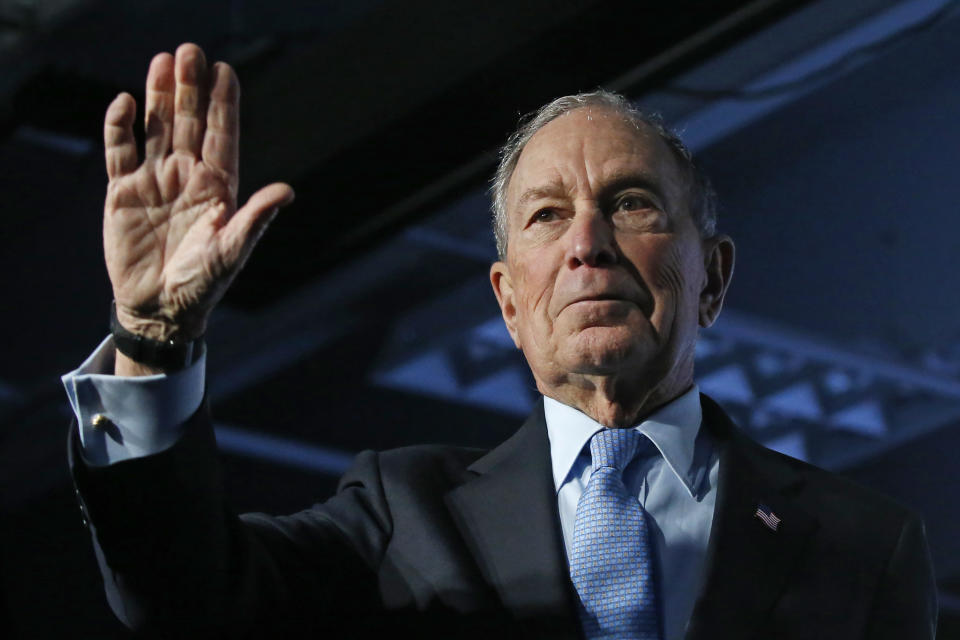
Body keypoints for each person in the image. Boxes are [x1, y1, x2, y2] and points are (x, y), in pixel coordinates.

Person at [63, 43, 938, 639]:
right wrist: (154, 335)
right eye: (547, 216)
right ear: (510, 302)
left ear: (711, 276)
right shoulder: (398, 512)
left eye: (631, 204)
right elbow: (184, 598)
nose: (586, 244)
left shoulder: (863, 543)